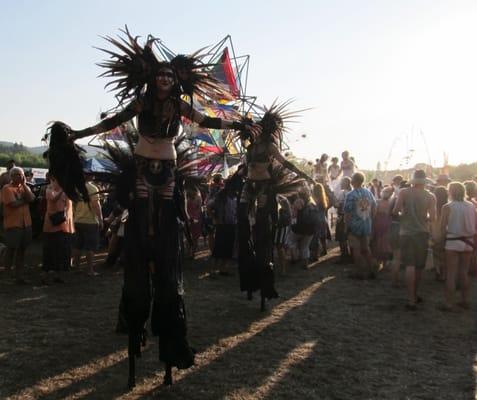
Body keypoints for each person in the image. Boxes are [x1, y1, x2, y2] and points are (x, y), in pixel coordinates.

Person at [43, 28, 249, 387]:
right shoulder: (141, 103)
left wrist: (240, 123)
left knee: (168, 213)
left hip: (167, 169)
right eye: (161, 74)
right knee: (141, 217)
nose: (165, 78)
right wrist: (78, 134)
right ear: (153, 78)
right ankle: (135, 265)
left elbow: (207, 121)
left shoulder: (180, 106)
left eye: (170, 75)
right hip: (140, 167)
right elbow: (114, 121)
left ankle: (169, 251)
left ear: (175, 79)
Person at [237, 102, 314, 310]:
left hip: (265, 188)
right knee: (243, 224)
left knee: (263, 234)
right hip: (249, 186)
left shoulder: (270, 146)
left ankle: (264, 275)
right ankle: (248, 271)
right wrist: (244, 126)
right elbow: (244, 147)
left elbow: (284, 162)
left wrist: (302, 174)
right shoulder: (250, 144)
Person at [393, 169, 436, 310]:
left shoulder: (404, 192)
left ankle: (410, 299)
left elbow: (395, 211)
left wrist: (404, 214)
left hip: (406, 232)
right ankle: (415, 295)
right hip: (422, 233)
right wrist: (423, 216)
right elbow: (433, 218)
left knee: (409, 265)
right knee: (418, 266)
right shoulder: (430, 196)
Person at [438, 182, 477, 311]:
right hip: (469, 242)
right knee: (464, 273)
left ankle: (449, 303)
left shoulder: (447, 207)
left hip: (453, 241)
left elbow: (443, 227)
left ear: (451, 192)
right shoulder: (472, 206)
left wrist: (440, 242)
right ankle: (464, 300)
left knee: (451, 274)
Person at [1, 167, 35, 283]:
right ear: (12, 176)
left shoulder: (24, 187)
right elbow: (13, 204)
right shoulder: (7, 188)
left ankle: (19, 275)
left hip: (26, 224)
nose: (20, 177)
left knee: (22, 250)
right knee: (11, 250)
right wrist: (25, 201)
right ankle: (7, 275)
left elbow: (32, 198)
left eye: (21, 175)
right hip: (13, 224)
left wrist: (25, 185)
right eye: (17, 175)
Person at [41, 174, 74, 284]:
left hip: (63, 227)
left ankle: (57, 276)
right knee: (49, 252)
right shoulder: (49, 190)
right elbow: (54, 199)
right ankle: (45, 277)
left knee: (60, 252)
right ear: (53, 180)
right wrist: (63, 190)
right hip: (51, 227)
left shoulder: (64, 192)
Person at [344, 172, 377, 279]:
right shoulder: (368, 193)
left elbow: (347, 212)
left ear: (354, 181)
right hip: (366, 224)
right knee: (366, 248)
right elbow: (374, 207)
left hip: (355, 225)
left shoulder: (350, 195)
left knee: (356, 249)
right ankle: (372, 270)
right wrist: (371, 219)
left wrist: (346, 226)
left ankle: (359, 272)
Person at [72, 174, 103, 276]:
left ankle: (76, 267)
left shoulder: (77, 188)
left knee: (78, 245)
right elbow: (96, 205)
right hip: (90, 221)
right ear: (90, 176)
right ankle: (90, 270)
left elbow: (73, 204)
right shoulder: (93, 188)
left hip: (78, 220)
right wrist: (101, 219)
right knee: (90, 247)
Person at [371, 186, 393, 267]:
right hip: (387, 223)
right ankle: (385, 262)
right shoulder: (391, 203)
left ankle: (378, 260)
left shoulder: (378, 202)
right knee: (386, 243)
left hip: (378, 223)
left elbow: (374, 214)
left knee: (377, 242)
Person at [431, 186, 448, 281]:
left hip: (435, 233)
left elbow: (430, 220)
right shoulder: (448, 206)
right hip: (446, 233)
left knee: (436, 254)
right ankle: (444, 273)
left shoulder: (433, 206)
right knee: (445, 254)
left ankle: (438, 271)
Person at [335, 176, 352, 264]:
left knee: (342, 237)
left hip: (342, 216)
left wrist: (336, 203)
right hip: (352, 218)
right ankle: (351, 255)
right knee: (350, 237)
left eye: (342, 182)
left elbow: (339, 205)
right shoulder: (352, 192)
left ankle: (344, 256)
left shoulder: (343, 193)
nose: (341, 184)